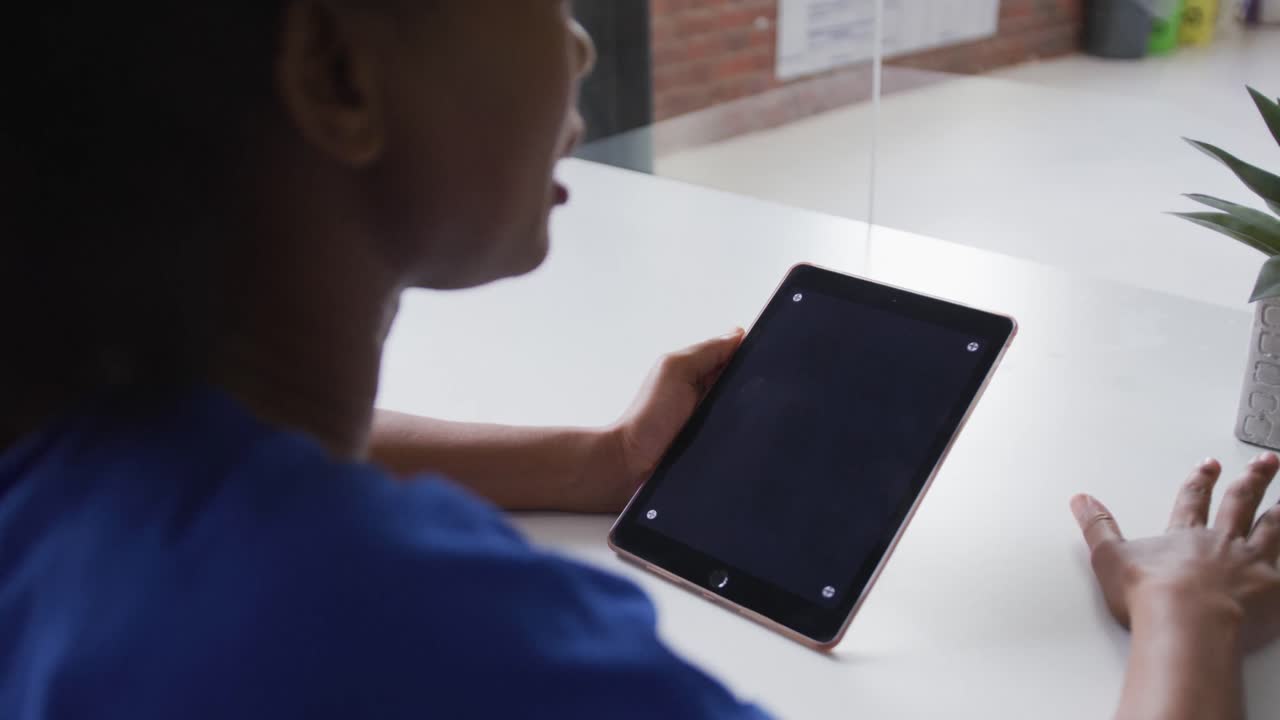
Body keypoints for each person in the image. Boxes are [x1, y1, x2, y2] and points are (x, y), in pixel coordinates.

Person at [1, 3, 1277, 719]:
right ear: (337, 72)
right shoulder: (448, 641)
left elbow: (221, 450)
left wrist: (600, 461)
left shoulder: (60, 434)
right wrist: (1188, 614)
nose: (579, 48)